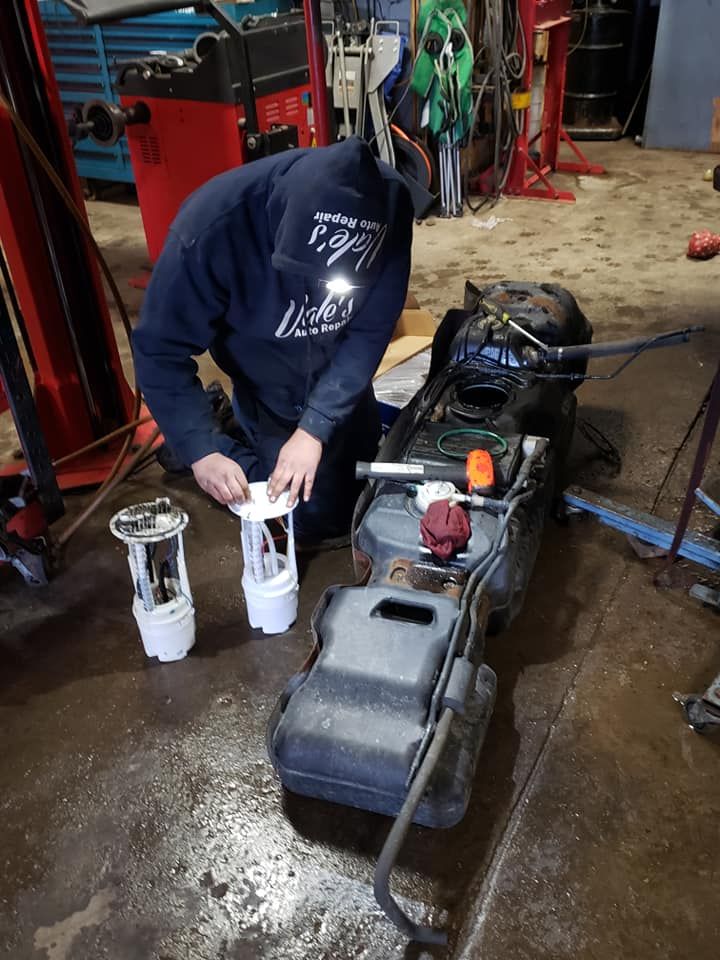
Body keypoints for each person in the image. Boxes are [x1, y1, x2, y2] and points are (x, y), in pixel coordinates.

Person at [133, 137, 414, 543]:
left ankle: (226, 425)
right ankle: (214, 429)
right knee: (302, 517)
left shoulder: (388, 205)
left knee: (364, 498)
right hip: (265, 377)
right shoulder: (211, 230)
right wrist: (201, 450)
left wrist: (315, 426)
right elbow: (160, 351)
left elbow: (371, 329)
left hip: (337, 368)